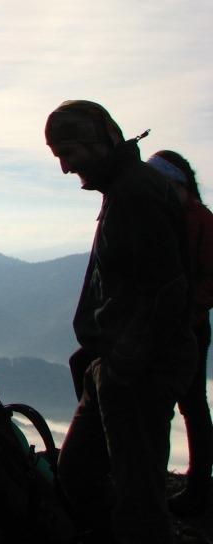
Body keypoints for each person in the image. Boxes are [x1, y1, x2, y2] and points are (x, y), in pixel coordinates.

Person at [45, 101, 194, 544]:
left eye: (69, 153)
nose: (65, 167)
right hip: (116, 365)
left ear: (98, 142)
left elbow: (166, 289)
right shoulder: (125, 188)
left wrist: (123, 366)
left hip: (137, 371)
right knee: (80, 476)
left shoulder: (136, 194)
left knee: (138, 500)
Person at [146, 150, 213, 516]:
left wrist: (188, 311)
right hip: (177, 325)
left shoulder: (199, 221)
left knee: (188, 406)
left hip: (188, 327)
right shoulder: (180, 217)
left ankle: (197, 487)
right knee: (183, 406)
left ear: (179, 184)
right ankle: (184, 486)